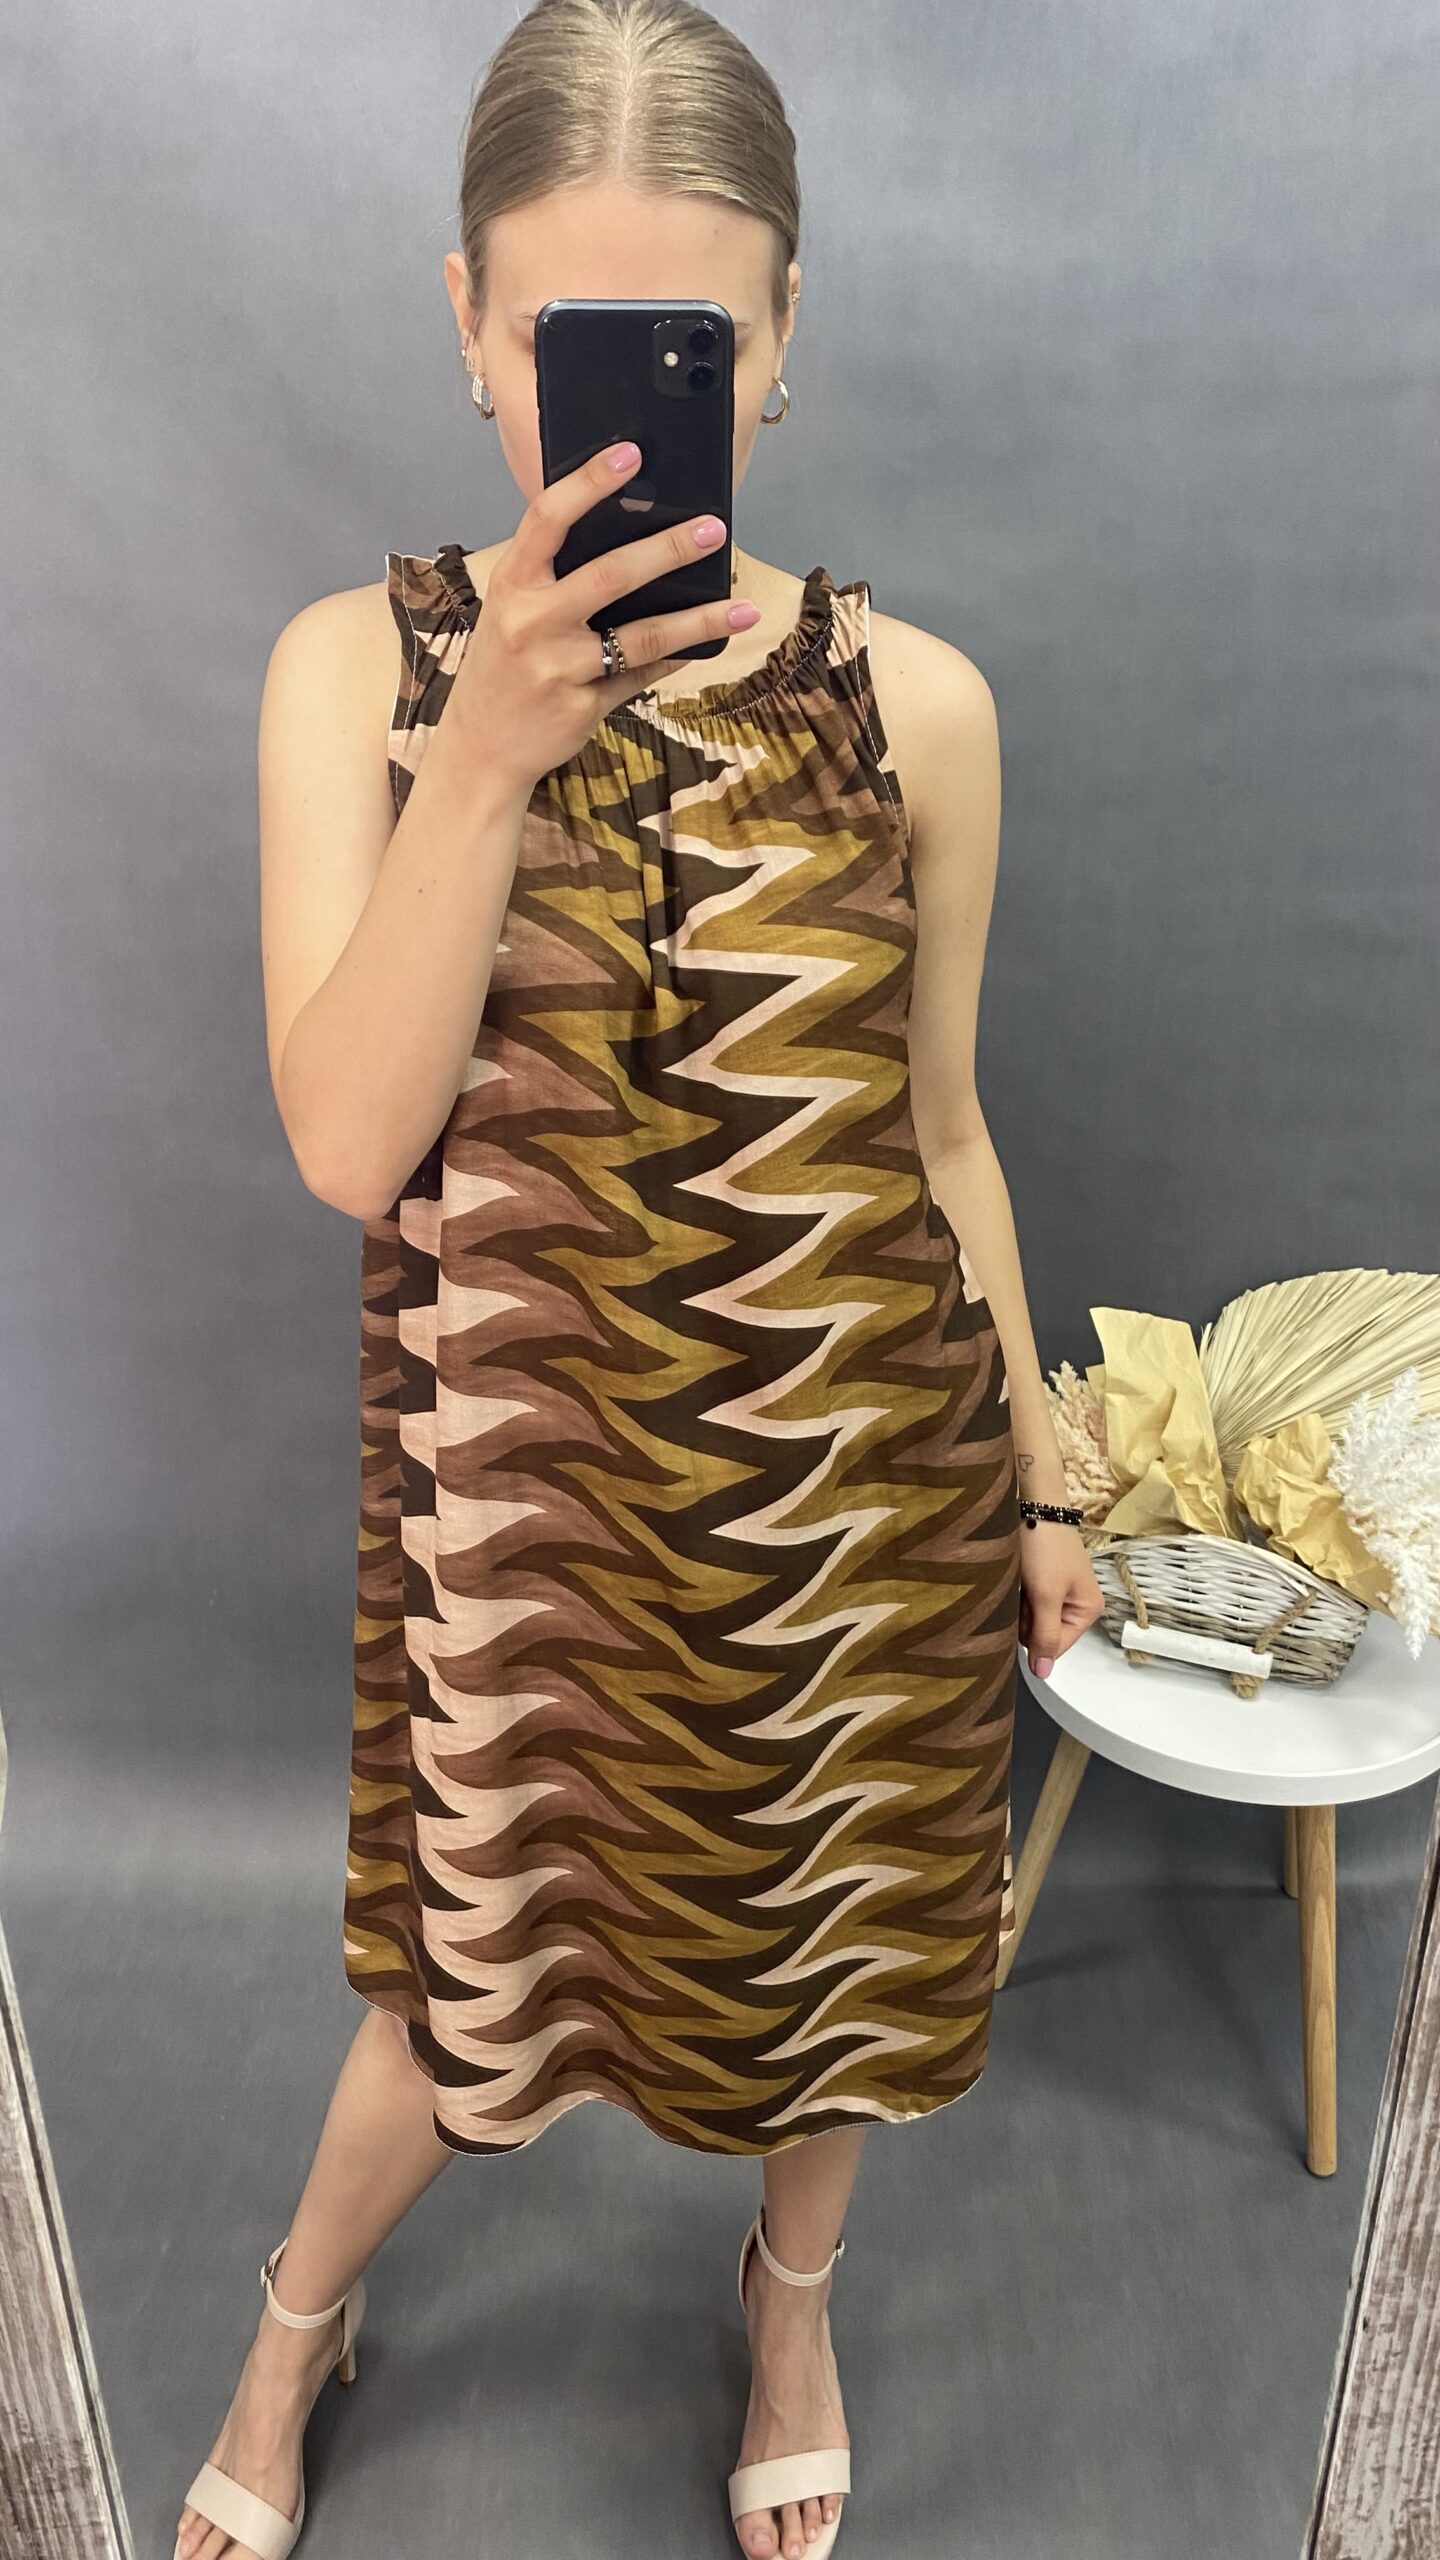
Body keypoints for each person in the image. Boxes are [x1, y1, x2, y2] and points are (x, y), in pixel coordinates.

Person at [174, 5, 1104, 2558]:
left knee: (833, 1962)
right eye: (560, 344)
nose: (604, 419)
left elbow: (941, 1136)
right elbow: (351, 1143)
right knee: (456, 1994)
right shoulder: (352, 674)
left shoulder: (921, 711)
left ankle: (790, 2303)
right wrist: (485, 746)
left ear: (781, 337)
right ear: (466, 323)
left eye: (682, 343)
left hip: (853, 1510)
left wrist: (1042, 1477)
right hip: (535, 1526)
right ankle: (293, 2325)